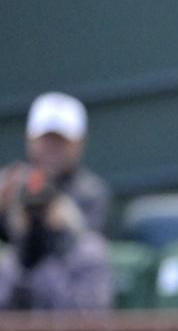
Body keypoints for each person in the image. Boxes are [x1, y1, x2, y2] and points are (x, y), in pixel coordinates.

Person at [0, 167, 112, 310]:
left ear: (62, 208)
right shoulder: (13, 258)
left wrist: (49, 263)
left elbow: (91, 313)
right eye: (29, 210)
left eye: (43, 209)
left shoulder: (90, 252)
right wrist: (24, 267)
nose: (37, 218)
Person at [0, 92, 111, 236]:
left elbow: (93, 248)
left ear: (79, 144)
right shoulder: (12, 183)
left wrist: (67, 220)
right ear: (30, 140)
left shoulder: (91, 192)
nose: (52, 149)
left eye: (61, 141)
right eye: (46, 140)